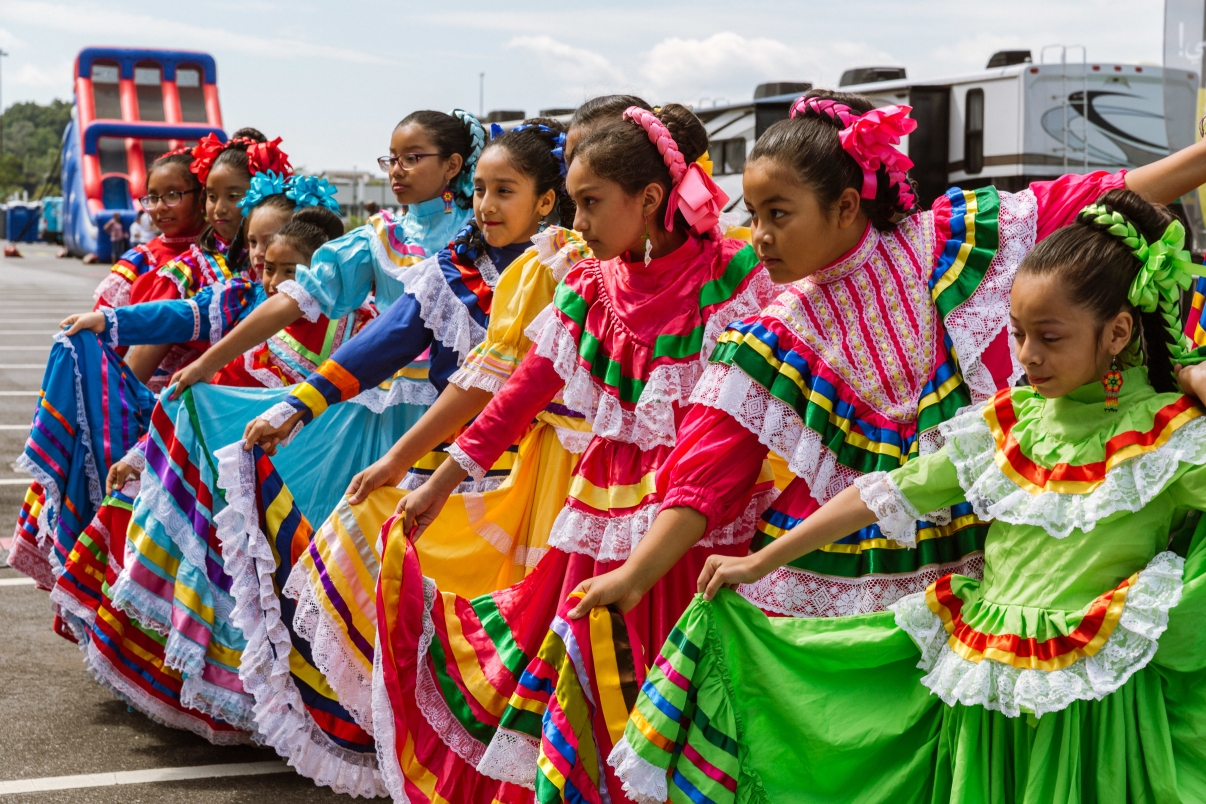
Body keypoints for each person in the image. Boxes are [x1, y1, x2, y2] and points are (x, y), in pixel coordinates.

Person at [615, 190, 1206, 803]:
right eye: (1019, 334)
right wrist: (762, 560)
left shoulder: (1169, 432)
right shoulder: (1014, 422)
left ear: (1116, 332)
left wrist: (1190, 375)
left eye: (1049, 338)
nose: (1027, 356)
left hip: (1096, 699)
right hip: (986, 690)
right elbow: (891, 491)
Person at [566, 89, 1206, 630]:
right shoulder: (772, 335)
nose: (758, 235)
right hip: (855, 550)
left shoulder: (952, 240)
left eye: (779, 214)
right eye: (754, 215)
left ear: (846, 206)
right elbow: (707, 472)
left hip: (999, 530)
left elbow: (1104, 195)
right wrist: (637, 572)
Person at [369, 103, 776, 803]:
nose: (578, 225)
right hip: (601, 519)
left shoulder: (732, 275)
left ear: (649, 199)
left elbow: (738, 426)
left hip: (701, 518)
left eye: (590, 204)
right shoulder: (590, 285)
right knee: (586, 680)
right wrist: (440, 481)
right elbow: (520, 391)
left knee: (682, 691)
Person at [43, 196, 362, 745]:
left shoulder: (356, 328)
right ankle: (209, 695)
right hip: (240, 483)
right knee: (151, 523)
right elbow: (195, 392)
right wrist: (142, 453)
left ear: (328, 269)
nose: (273, 277)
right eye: (260, 256)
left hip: (312, 489)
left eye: (290, 270)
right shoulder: (250, 315)